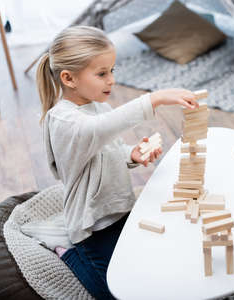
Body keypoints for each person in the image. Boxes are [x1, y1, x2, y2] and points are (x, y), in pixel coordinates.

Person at [36, 26, 199, 299]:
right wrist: (154, 98)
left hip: (120, 209)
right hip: (91, 225)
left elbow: (104, 148)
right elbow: (97, 131)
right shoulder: (62, 120)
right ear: (69, 78)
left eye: (112, 70)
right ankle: (67, 253)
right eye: (101, 74)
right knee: (113, 292)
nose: (111, 80)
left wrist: (130, 154)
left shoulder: (99, 106)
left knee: (148, 270)